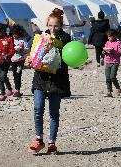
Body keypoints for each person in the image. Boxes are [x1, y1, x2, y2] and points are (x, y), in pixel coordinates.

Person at [27, 8, 71, 155]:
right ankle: (38, 139)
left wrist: (52, 43)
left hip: (57, 80)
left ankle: (52, 142)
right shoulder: (40, 36)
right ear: (47, 24)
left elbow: (65, 52)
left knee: (53, 112)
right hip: (40, 78)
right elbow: (33, 55)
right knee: (38, 108)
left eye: (56, 26)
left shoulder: (66, 38)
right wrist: (29, 59)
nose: (53, 28)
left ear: (61, 26)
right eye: (50, 25)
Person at [9, 24, 30, 97]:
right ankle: (16, 89)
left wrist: (21, 49)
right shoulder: (11, 39)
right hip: (12, 60)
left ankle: (17, 90)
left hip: (20, 60)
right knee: (14, 75)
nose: (14, 36)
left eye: (16, 34)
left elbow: (28, 50)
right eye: (13, 34)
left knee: (18, 74)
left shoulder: (23, 40)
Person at [103, 29, 121, 97]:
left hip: (115, 62)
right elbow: (105, 49)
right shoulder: (107, 42)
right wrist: (104, 52)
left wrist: (113, 51)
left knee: (112, 77)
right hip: (108, 61)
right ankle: (109, 91)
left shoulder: (118, 43)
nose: (108, 38)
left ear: (114, 36)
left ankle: (118, 88)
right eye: (108, 36)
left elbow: (119, 53)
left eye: (110, 36)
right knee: (107, 77)